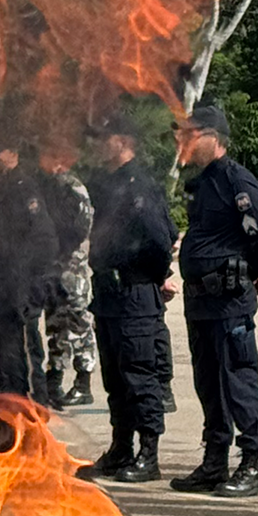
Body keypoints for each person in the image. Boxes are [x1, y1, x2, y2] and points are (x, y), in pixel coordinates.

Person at [170, 105, 258, 497]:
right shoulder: (199, 184)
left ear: (213, 137)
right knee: (208, 385)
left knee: (238, 380)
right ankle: (215, 460)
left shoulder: (237, 180)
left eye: (190, 134)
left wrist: (249, 273)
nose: (182, 142)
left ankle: (251, 460)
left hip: (229, 300)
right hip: (200, 302)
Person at [76, 119, 177, 484]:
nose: (98, 146)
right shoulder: (106, 183)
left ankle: (148, 454)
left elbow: (160, 239)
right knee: (115, 377)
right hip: (108, 294)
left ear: (123, 141)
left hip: (135, 293)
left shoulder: (139, 184)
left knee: (139, 374)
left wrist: (148, 276)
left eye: (105, 139)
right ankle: (121, 447)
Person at [0, 144, 60, 462]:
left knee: (18, 366)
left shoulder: (25, 188)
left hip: (16, 289)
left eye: (1, 151)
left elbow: (45, 239)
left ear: (15, 153)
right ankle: (5, 435)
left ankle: (31, 439)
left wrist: (32, 284)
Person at [39, 149, 97, 410]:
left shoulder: (73, 189)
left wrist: (55, 240)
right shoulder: (48, 187)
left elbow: (79, 228)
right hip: (52, 268)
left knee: (79, 323)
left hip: (72, 269)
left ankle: (83, 383)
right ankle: (54, 380)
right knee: (55, 325)